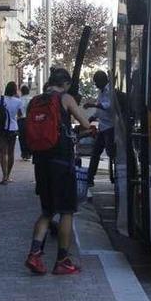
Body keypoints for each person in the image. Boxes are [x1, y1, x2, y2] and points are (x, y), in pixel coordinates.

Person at [25, 68, 96, 275]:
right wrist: (85, 130)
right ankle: (63, 260)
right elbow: (85, 124)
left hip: (41, 162)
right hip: (61, 163)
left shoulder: (35, 100)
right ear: (65, 83)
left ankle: (34, 254)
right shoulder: (66, 99)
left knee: (47, 211)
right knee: (66, 211)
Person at [84, 70, 116, 187]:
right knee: (95, 152)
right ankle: (90, 177)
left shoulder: (110, 90)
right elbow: (99, 109)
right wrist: (92, 117)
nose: (96, 85)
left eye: (97, 82)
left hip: (110, 127)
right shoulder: (102, 91)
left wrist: (92, 105)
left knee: (111, 153)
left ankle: (117, 175)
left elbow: (108, 106)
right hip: (102, 126)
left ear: (102, 80)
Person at [0, 81, 24, 185]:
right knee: (11, 153)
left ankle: (4, 176)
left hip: (1, 128)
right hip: (13, 128)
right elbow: (20, 115)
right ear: (15, 90)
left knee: (3, 152)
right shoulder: (18, 101)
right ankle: (8, 175)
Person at [18, 84, 33, 160]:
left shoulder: (19, 100)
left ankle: (24, 154)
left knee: (22, 137)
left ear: (21, 92)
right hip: (29, 120)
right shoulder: (31, 99)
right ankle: (29, 153)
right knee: (29, 136)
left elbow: (19, 112)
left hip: (21, 120)